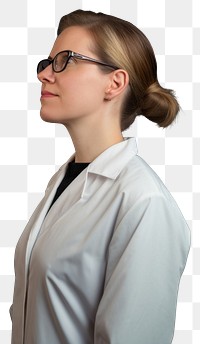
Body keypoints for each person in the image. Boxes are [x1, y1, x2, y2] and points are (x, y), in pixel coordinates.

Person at [10, 9, 190, 344]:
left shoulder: (143, 202)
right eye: (46, 62)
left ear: (115, 82)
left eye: (65, 60)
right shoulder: (63, 182)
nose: (45, 74)